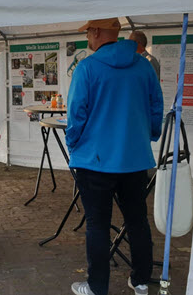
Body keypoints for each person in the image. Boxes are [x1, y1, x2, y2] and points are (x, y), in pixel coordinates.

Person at [66, 18, 163, 295]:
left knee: (97, 225)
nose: (87, 39)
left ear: (96, 32)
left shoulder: (87, 67)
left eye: (87, 33)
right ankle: (141, 280)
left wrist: (74, 145)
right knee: (137, 220)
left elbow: (76, 114)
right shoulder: (143, 66)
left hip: (94, 161)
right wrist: (149, 135)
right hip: (134, 158)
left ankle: (98, 286)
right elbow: (157, 105)